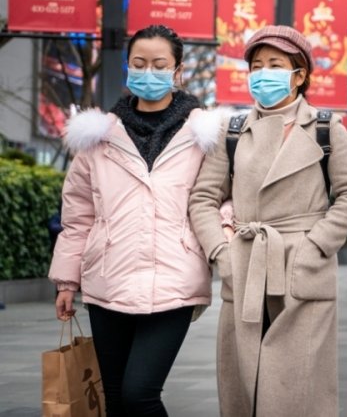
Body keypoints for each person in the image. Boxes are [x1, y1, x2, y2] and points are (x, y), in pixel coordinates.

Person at [189, 25, 347, 417]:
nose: (263, 73)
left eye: (275, 64)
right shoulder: (232, 130)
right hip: (247, 262)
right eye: (256, 66)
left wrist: (316, 245)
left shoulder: (327, 128)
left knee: (298, 384)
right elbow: (203, 197)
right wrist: (222, 252)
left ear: (299, 74)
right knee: (244, 380)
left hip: (303, 264)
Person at [48, 24, 221, 416]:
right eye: (139, 63)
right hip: (108, 279)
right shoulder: (98, 138)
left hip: (175, 279)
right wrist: (66, 280)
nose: (148, 72)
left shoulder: (205, 137)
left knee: (140, 394)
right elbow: (77, 217)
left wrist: (218, 248)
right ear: (127, 67)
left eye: (160, 64)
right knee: (112, 396)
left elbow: (223, 200)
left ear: (178, 71)